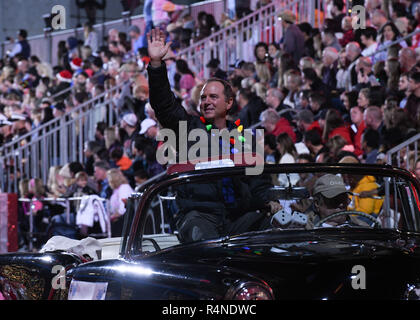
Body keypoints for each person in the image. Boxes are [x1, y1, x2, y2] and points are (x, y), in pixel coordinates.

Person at [304, 174, 371, 229]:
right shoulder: (304, 227)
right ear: (317, 203)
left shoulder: (361, 226)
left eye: (344, 200)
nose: (341, 205)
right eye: (334, 200)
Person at [107, 168, 134, 237]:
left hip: (123, 220)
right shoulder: (117, 189)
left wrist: (114, 216)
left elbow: (123, 207)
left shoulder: (124, 187)